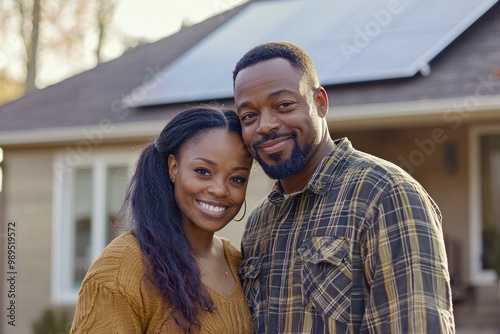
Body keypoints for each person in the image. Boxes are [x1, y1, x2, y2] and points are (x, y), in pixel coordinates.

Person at [233, 41, 455, 333]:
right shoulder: (258, 225)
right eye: (249, 116)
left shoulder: (385, 194)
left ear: (320, 104)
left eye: (283, 105)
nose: (264, 125)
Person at [70, 106, 255, 333]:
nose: (219, 190)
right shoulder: (125, 265)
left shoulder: (238, 262)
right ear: (174, 168)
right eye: (203, 171)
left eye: (237, 179)